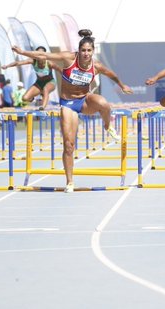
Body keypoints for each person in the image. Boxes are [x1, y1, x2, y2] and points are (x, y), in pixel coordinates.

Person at [12, 29, 133, 193]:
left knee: (104, 103)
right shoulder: (69, 58)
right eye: (83, 50)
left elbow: (112, 74)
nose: (86, 54)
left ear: (92, 51)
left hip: (84, 100)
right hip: (68, 104)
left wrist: (122, 85)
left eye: (89, 50)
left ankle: (107, 126)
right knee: (69, 145)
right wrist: (22, 52)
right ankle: (70, 182)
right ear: (79, 50)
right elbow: (44, 56)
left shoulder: (96, 66)